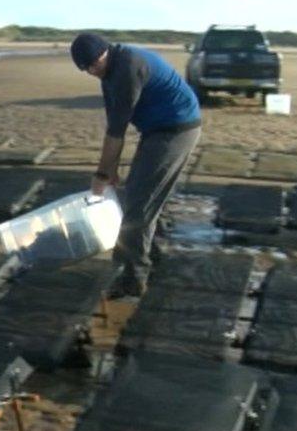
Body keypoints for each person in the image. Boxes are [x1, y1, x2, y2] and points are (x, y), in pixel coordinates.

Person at [71, 33, 201, 298]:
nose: (92, 71)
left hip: (177, 129)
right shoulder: (110, 71)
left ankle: (132, 279)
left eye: (94, 64)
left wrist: (101, 174)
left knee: (138, 206)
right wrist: (112, 169)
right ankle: (151, 255)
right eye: (86, 69)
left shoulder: (128, 68)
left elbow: (117, 132)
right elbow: (113, 125)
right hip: (156, 130)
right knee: (138, 195)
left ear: (104, 52)